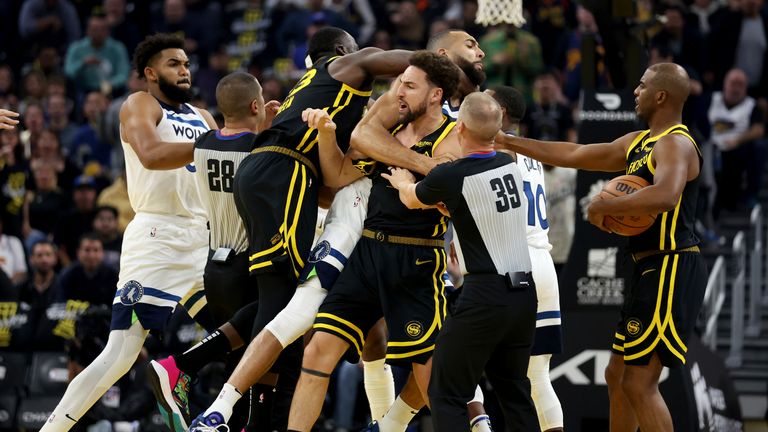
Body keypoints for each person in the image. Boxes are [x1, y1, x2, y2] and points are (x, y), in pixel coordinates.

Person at [186, 26, 414, 430]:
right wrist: (437, 63)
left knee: (370, 338)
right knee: (288, 312)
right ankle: (219, 405)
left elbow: (326, 186)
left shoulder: (333, 105)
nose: (396, 98)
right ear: (342, 52)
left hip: (306, 195)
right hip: (319, 209)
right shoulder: (357, 105)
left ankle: (384, 424)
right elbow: (336, 178)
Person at [495, 62, 707, 432]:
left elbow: (667, 195)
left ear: (661, 96)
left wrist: (605, 207)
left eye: (641, 87)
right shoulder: (637, 142)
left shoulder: (676, 142)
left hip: (671, 266)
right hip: (645, 267)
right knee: (616, 375)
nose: (635, 93)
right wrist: (507, 140)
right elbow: (575, 154)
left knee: (640, 384)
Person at [40, 33, 218, 432]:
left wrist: (260, 129)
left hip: (203, 237)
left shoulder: (204, 117)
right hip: (158, 235)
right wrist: (216, 144)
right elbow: (152, 155)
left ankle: (183, 379)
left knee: (244, 329)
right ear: (151, 73)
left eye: (187, 63)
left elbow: (230, 161)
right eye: (174, 63)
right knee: (120, 353)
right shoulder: (140, 104)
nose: (185, 70)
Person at [284, 50, 460, 432]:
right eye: (399, 82)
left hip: (415, 259)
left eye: (410, 86)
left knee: (431, 377)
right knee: (317, 350)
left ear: (435, 95)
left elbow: (450, 203)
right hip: (367, 253)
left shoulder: (452, 139)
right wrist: (327, 137)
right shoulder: (389, 132)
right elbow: (338, 175)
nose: (399, 91)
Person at [384, 90, 539, 431]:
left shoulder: (452, 175)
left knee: (445, 393)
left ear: (460, 128)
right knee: (515, 391)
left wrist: (402, 181)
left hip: (487, 294)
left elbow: (412, 200)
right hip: (525, 293)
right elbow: (476, 201)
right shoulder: (507, 162)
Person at [147, 71, 279, 432]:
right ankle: (180, 366)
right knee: (266, 352)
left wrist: (259, 121)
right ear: (256, 105)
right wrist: (270, 124)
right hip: (248, 267)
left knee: (249, 366)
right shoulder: (261, 148)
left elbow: (233, 137)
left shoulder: (203, 142)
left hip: (215, 268)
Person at [487, 85, 564, 432]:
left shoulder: (494, 152)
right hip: (544, 264)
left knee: (457, 362)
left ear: (500, 112)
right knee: (538, 376)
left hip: (514, 264)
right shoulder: (531, 153)